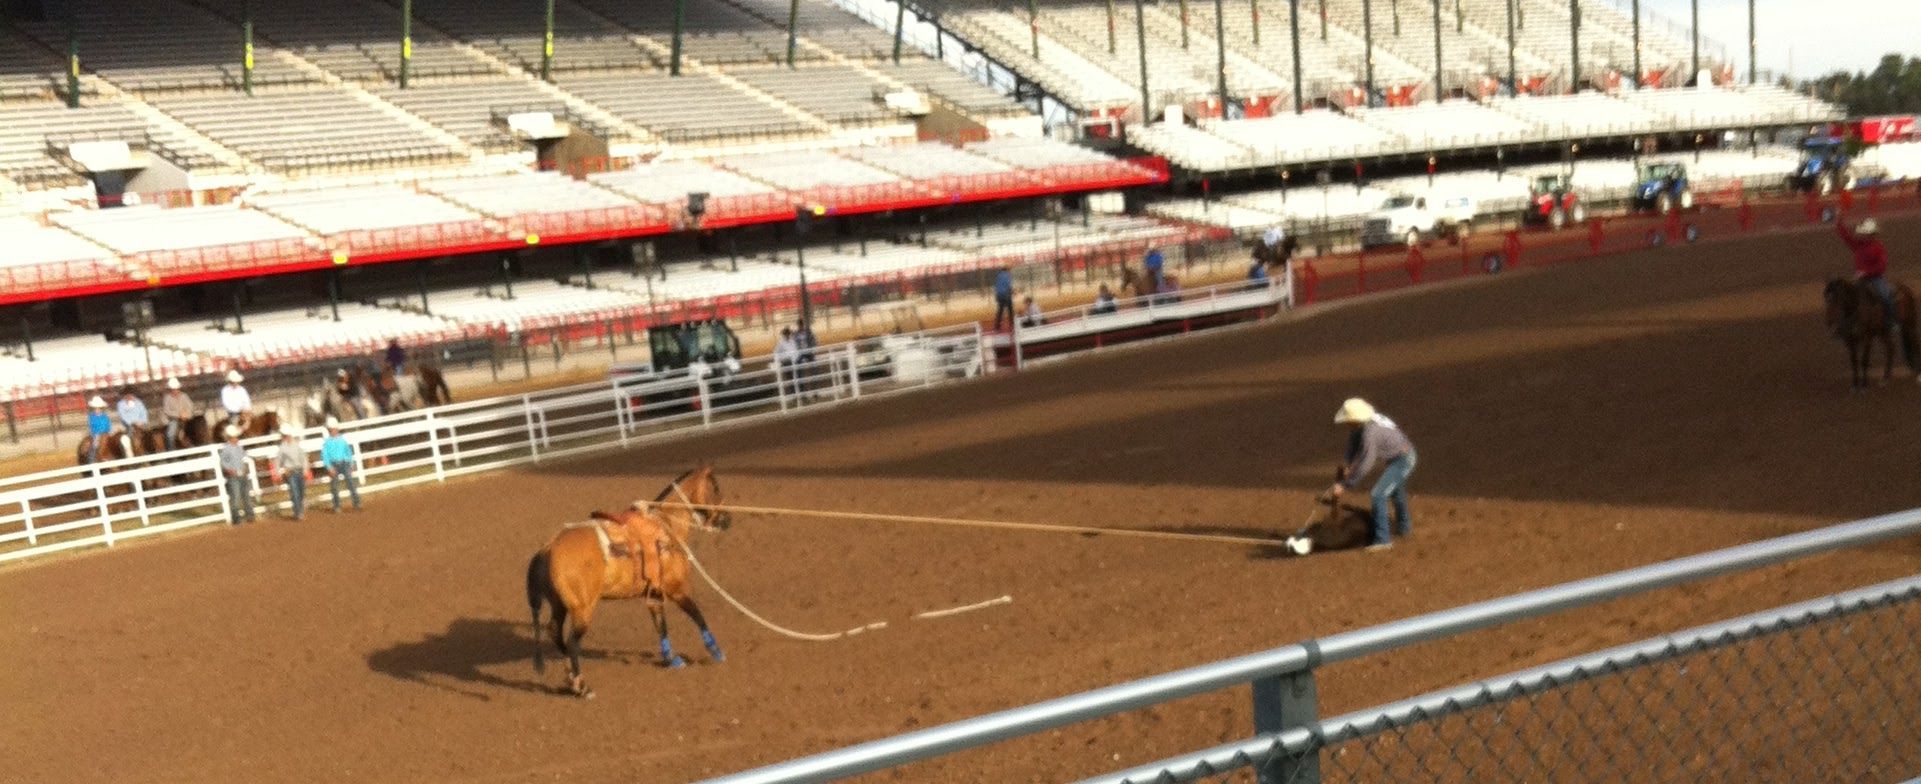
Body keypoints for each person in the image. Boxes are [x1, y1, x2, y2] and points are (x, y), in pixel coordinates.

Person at [1327, 398, 1417, 552]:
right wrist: (1348, 464)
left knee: (1378, 494)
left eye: (1347, 420)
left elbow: (1366, 462)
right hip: (1399, 456)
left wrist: (1345, 484)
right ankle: (1404, 528)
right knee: (1395, 492)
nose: (1346, 424)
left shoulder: (1370, 433)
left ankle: (1383, 540)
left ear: (1355, 419)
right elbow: (1353, 443)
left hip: (1403, 460)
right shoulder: (1365, 423)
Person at [1837, 217, 1898, 338]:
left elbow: (1881, 267)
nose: (1864, 236)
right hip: (1860, 279)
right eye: (1864, 234)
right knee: (1846, 296)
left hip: (1875, 278)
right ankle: (1844, 324)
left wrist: (1865, 272)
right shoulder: (1859, 245)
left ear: (1872, 234)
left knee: (1885, 296)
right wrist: (1839, 223)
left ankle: (1892, 321)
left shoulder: (1879, 248)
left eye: (1867, 234)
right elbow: (1847, 238)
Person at [270, 425, 311, 521]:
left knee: (301, 492)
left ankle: (299, 510)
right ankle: (298, 512)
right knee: (294, 492)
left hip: (299, 470)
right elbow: (278, 461)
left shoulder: (296, 445)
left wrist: (305, 470)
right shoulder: (282, 448)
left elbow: (303, 458)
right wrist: (278, 473)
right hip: (290, 473)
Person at [321, 417, 362, 513]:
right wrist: (329, 467)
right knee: (334, 486)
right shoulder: (326, 443)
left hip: (344, 463)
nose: (333, 431)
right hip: (333, 464)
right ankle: (337, 505)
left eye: (334, 429)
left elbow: (348, 452)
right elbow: (325, 456)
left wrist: (351, 462)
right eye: (331, 429)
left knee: (350, 482)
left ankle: (357, 502)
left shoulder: (342, 440)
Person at [219, 425, 256, 525]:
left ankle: (250, 515)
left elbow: (243, 459)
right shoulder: (226, 449)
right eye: (234, 437)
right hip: (233, 475)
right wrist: (229, 470)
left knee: (246, 496)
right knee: (235, 497)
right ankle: (237, 518)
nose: (236, 439)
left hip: (241, 474)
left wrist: (244, 468)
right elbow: (223, 463)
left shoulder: (239, 447)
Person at [160, 377, 194, 450]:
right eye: (173, 389)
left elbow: (190, 406)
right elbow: (167, 411)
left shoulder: (184, 396)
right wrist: (179, 415)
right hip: (174, 419)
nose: (175, 390)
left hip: (186, 417)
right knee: (170, 434)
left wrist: (187, 414)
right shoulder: (167, 398)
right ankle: (171, 450)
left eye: (176, 388)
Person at [85, 395, 114, 464]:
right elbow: (92, 426)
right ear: (93, 409)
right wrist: (98, 432)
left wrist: (107, 431)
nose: (97, 410)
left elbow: (108, 424)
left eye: (99, 408)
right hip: (96, 433)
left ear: (101, 408)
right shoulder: (91, 416)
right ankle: (92, 459)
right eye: (95, 408)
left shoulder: (105, 416)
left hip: (105, 433)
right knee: (95, 444)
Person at [773, 327, 801, 398]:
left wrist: (797, 358)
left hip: (795, 361)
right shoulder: (781, 343)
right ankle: (794, 395)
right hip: (787, 362)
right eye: (786, 334)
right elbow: (776, 354)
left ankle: (800, 394)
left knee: (798, 378)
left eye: (788, 334)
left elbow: (796, 351)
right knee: (791, 379)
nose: (787, 335)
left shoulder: (793, 341)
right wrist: (781, 360)